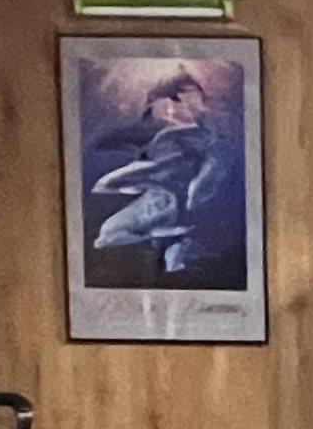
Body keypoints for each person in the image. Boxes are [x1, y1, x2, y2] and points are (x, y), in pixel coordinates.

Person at [91, 69, 246, 285]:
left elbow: (204, 174)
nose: (175, 110)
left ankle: (172, 245)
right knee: (110, 235)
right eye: (173, 101)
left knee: (112, 234)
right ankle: (170, 245)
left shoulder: (204, 137)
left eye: (182, 100)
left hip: (174, 203)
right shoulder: (165, 135)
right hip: (162, 199)